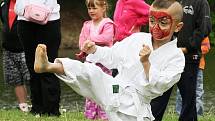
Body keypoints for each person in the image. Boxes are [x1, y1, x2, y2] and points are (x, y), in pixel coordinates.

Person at [34, 0, 185, 120]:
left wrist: (146, 64)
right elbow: (113, 56)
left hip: (135, 107)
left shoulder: (176, 58)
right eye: (152, 21)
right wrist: (95, 50)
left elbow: (160, 85)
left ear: (177, 27)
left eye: (163, 22)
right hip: (115, 88)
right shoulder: (137, 39)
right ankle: (48, 65)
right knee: (90, 71)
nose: (156, 27)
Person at [150, 0, 212, 120]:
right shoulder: (171, 2)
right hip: (168, 56)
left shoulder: (201, 2)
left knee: (189, 99)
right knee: (159, 95)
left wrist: (187, 48)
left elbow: (205, 28)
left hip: (189, 58)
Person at [14, 0, 61, 116]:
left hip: (49, 20)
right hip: (24, 20)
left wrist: (35, 9)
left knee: (48, 66)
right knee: (32, 66)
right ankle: (37, 108)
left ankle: (52, 110)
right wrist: (26, 9)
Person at [75, 0, 115, 120]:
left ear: (103, 8)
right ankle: (92, 116)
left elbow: (106, 38)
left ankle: (105, 116)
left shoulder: (108, 24)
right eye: (89, 8)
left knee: (104, 89)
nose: (91, 11)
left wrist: (90, 39)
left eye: (94, 8)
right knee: (90, 89)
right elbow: (81, 42)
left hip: (104, 64)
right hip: (90, 63)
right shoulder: (87, 25)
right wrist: (84, 46)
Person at [0, 0, 30, 112]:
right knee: (15, 79)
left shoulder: (27, 3)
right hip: (8, 49)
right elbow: (4, 22)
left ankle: (38, 105)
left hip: (25, 49)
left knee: (31, 78)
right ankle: (24, 107)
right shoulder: (3, 4)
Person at [112, 0, 150, 77]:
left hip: (131, 44)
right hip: (118, 45)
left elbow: (152, 13)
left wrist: (138, 22)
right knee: (114, 76)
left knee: (125, 75)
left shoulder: (136, 2)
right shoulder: (119, 2)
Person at [175, 37, 211, 116]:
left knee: (197, 91)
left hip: (198, 66)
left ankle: (197, 114)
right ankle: (179, 114)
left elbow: (206, 47)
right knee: (180, 91)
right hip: (182, 66)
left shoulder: (202, 31)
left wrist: (190, 50)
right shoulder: (182, 32)